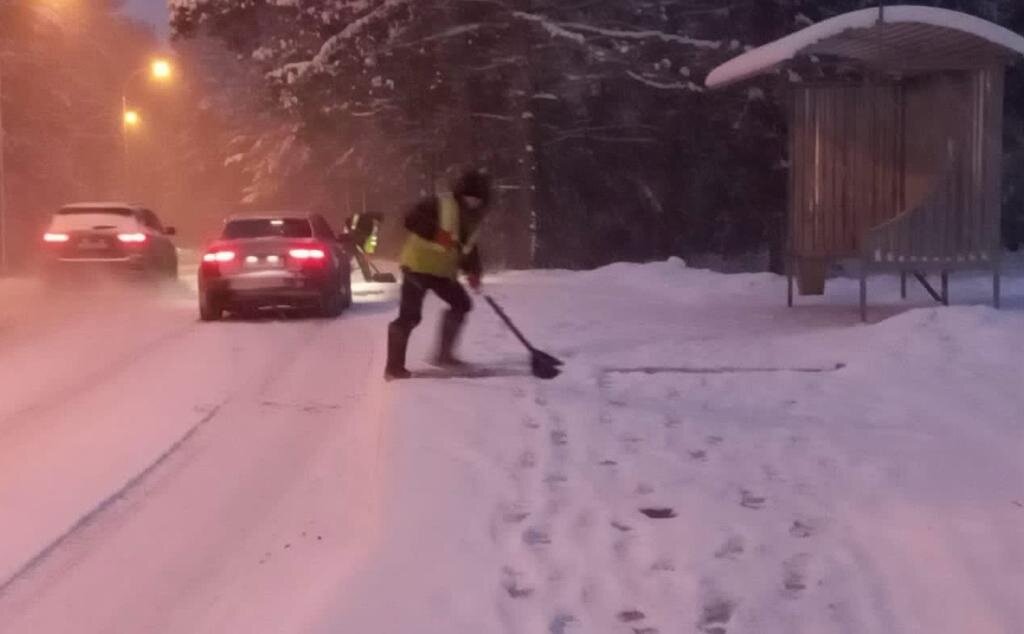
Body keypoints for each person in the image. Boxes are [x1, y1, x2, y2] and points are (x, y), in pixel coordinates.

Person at [385, 169, 492, 380]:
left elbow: (468, 248)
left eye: (477, 199)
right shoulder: (439, 204)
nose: (472, 202)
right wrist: (436, 234)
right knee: (410, 317)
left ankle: (444, 356)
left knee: (462, 304)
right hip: (418, 267)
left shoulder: (473, 219)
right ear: (461, 194)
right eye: (469, 197)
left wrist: (474, 271)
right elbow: (410, 219)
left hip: (443, 273)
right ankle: (394, 368)